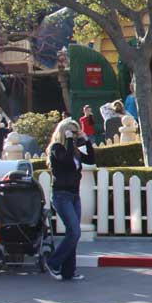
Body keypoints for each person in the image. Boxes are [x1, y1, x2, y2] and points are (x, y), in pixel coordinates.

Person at [45, 118, 93, 281]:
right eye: (71, 131)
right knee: (74, 231)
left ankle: (69, 271)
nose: (74, 135)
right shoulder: (56, 148)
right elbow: (64, 161)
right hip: (61, 195)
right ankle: (53, 262)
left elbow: (91, 159)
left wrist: (86, 140)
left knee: (73, 233)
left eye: (75, 132)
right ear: (64, 131)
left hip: (74, 195)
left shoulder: (74, 150)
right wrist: (70, 140)